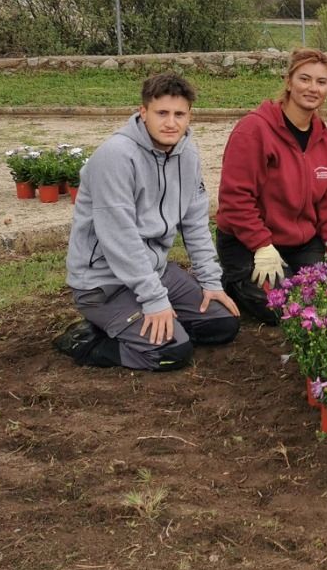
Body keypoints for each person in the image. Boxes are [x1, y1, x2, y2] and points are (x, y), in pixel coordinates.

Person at [60, 72, 240, 371]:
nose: (171, 122)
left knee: (222, 323)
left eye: (179, 114)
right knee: (171, 353)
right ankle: (87, 341)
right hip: (104, 283)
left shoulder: (187, 154)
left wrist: (210, 281)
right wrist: (155, 300)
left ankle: (146, 325)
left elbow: (195, 223)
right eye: (162, 113)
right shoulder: (115, 157)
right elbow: (120, 240)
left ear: (189, 116)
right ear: (143, 112)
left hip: (153, 272)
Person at [215, 49, 327, 324]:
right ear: (289, 82)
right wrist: (261, 244)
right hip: (249, 242)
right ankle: (234, 279)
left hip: (300, 242)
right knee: (283, 308)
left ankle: (275, 277)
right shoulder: (254, 130)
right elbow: (235, 198)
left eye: (321, 82)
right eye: (304, 79)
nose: (312, 88)